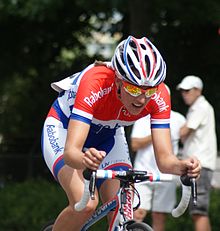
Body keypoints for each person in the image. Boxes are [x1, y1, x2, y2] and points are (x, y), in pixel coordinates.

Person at [41, 36, 201, 231]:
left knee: (124, 204)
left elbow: (165, 159)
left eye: (149, 91)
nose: (142, 99)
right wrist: (85, 160)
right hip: (64, 129)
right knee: (87, 203)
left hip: (109, 136)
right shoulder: (95, 82)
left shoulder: (160, 95)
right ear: (118, 79)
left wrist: (182, 166)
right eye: (134, 88)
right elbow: (71, 153)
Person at [131, 85, 186, 231]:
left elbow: (188, 140)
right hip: (143, 172)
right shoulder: (142, 117)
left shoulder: (179, 119)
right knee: (137, 213)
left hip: (166, 174)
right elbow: (135, 144)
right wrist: (157, 134)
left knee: (160, 216)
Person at [176, 75, 217, 231]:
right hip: (200, 164)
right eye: (183, 91)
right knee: (198, 212)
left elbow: (184, 132)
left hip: (201, 165)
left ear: (198, 90)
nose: (184, 94)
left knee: (198, 212)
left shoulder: (201, 107)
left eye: (188, 91)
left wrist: (174, 132)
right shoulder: (199, 107)